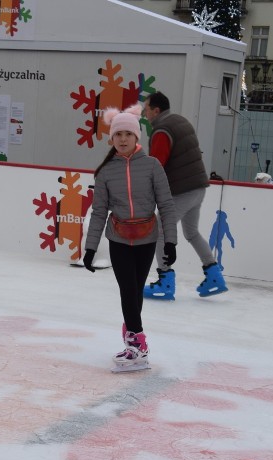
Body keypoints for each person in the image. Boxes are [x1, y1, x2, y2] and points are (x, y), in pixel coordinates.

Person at [83, 104, 177, 370]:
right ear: (111, 139)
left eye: (128, 134)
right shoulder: (105, 171)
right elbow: (99, 211)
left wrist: (170, 240)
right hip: (120, 237)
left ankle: (130, 335)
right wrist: (90, 248)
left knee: (135, 292)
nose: (123, 139)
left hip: (146, 237)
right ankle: (138, 345)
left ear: (137, 137)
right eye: (118, 135)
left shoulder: (151, 166)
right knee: (128, 289)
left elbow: (166, 204)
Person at [142, 91, 227, 300]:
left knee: (160, 230)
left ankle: (165, 280)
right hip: (198, 187)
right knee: (192, 232)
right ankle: (214, 275)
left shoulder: (162, 130)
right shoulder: (180, 121)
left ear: (156, 110)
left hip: (181, 190)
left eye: (146, 110)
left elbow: (156, 165)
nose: (145, 114)